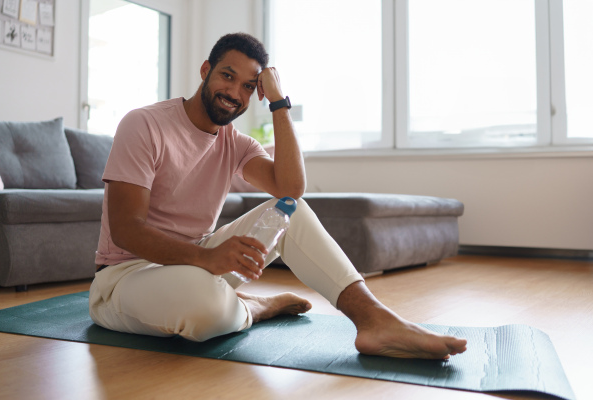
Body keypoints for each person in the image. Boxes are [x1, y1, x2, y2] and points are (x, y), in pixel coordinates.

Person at [89, 32, 467, 359]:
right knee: (207, 314)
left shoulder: (235, 144)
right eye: (227, 76)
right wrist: (207, 257)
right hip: (125, 277)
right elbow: (126, 229)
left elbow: (291, 190)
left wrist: (279, 101)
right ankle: (255, 306)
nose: (234, 93)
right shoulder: (144, 124)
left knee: (291, 211)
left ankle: (374, 319)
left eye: (247, 87)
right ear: (205, 71)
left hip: (195, 266)